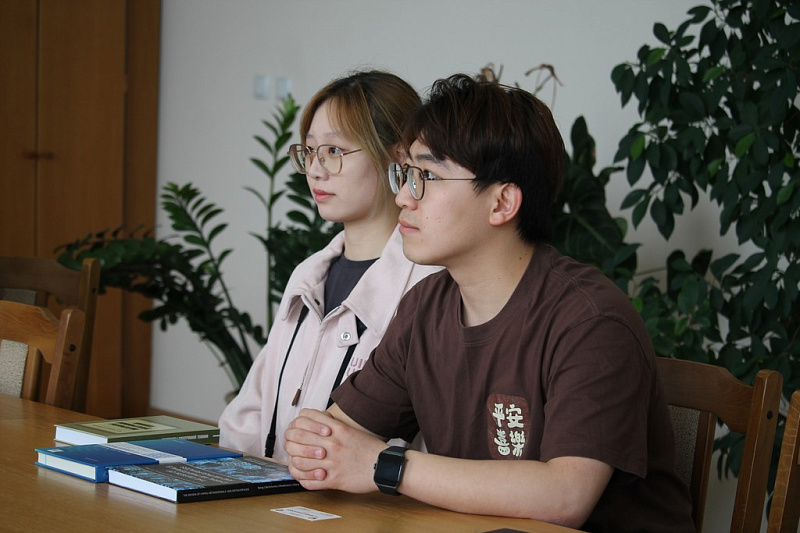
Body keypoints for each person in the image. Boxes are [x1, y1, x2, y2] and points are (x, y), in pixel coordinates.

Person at [283, 74, 695, 532]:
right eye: (406, 175)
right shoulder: (425, 307)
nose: (403, 197)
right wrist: (314, 446)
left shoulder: (590, 321)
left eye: (426, 177)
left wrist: (387, 466)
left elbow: (565, 497)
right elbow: (332, 438)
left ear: (502, 203)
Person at [218, 70, 440, 463]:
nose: (316, 169)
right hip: (271, 493)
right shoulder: (308, 275)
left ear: (397, 157)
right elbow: (250, 414)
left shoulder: (429, 286)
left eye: (334, 151)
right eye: (309, 152)